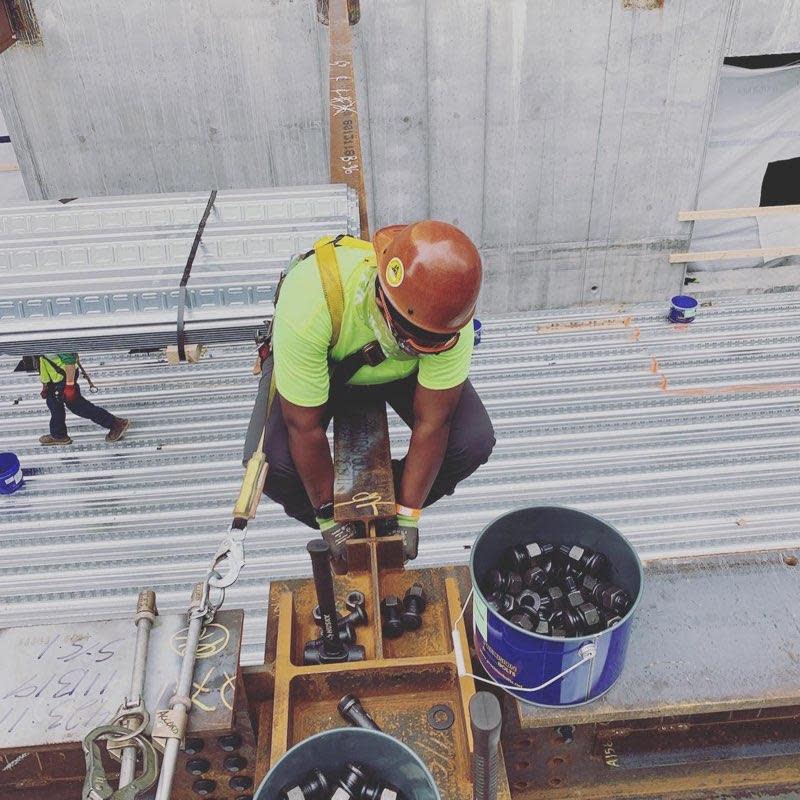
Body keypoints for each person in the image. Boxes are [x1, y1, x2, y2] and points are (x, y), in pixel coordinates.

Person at [263, 220, 495, 561]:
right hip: (329, 365)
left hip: (399, 375)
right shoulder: (310, 303)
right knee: (276, 465)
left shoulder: (448, 323)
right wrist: (329, 513)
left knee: (472, 442)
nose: (420, 346)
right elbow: (304, 427)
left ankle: (387, 510)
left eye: (430, 344)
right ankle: (339, 517)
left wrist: (408, 512)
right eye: (410, 339)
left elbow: (434, 422)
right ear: (383, 301)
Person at [37, 353, 130, 445]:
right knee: (54, 404)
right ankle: (58, 435)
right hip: (54, 380)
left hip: (64, 379)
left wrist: (70, 386)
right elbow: (43, 360)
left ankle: (116, 424)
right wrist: (45, 384)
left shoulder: (56, 341)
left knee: (79, 407)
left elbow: (69, 361)